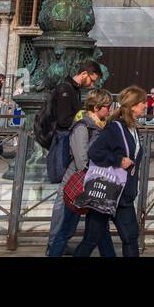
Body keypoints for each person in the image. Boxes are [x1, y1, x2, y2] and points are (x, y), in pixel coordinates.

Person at [75, 85, 146, 257]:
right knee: (91, 239)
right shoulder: (115, 127)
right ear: (134, 105)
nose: (146, 105)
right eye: (143, 102)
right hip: (107, 193)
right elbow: (94, 152)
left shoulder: (133, 128)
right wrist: (118, 160)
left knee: (130, 238)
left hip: (125, 195)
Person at [47, 88, 113, 257]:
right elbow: (80, 160)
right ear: (96, 108)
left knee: (101, 228)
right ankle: (53, 251)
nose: (110, 109)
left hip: (95, 181)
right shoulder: (83, 127)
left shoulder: (102, 126)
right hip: (78, 183)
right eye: (107, 106)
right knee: (67, 227)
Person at [44, 60, 102, 247]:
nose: (92, 84)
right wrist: (84, 119)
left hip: (69, 145)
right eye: (92, 80)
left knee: (70, 195)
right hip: (63, 145)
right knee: (64, 196)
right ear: (85, 73)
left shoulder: (73, 89)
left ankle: (59, 242)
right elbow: (63, 120)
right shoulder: (65, 89)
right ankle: (54, 243)